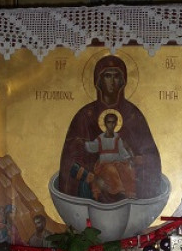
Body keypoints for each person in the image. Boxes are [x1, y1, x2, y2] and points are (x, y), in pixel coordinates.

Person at [57, 54, 162, 203]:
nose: (112, 81)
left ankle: (126, 194)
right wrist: (82, 149)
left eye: (117, 76)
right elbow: (72, 153)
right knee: (109, 173)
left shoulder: (133, 115)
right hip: (95, 181)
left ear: (123, 81)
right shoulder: (85, 115)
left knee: (125, 173)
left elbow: (149, 152)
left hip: (125, 176)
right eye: (107, 76)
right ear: (98, 81)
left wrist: (138, 159)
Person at [83, 112, 136, 201]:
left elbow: (122, 151)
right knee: (111, 170)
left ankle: (129, 194)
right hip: (103, 165)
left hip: (117, 162)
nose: (111, 125)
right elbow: (92, 147)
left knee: (127, 169)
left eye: (113, 122)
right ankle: (119, 192)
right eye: (109, 122)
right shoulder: (100, 138)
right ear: (105, 123)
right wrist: (84, 144)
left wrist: (128, 160)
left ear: (116, 124)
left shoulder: (117, 138)